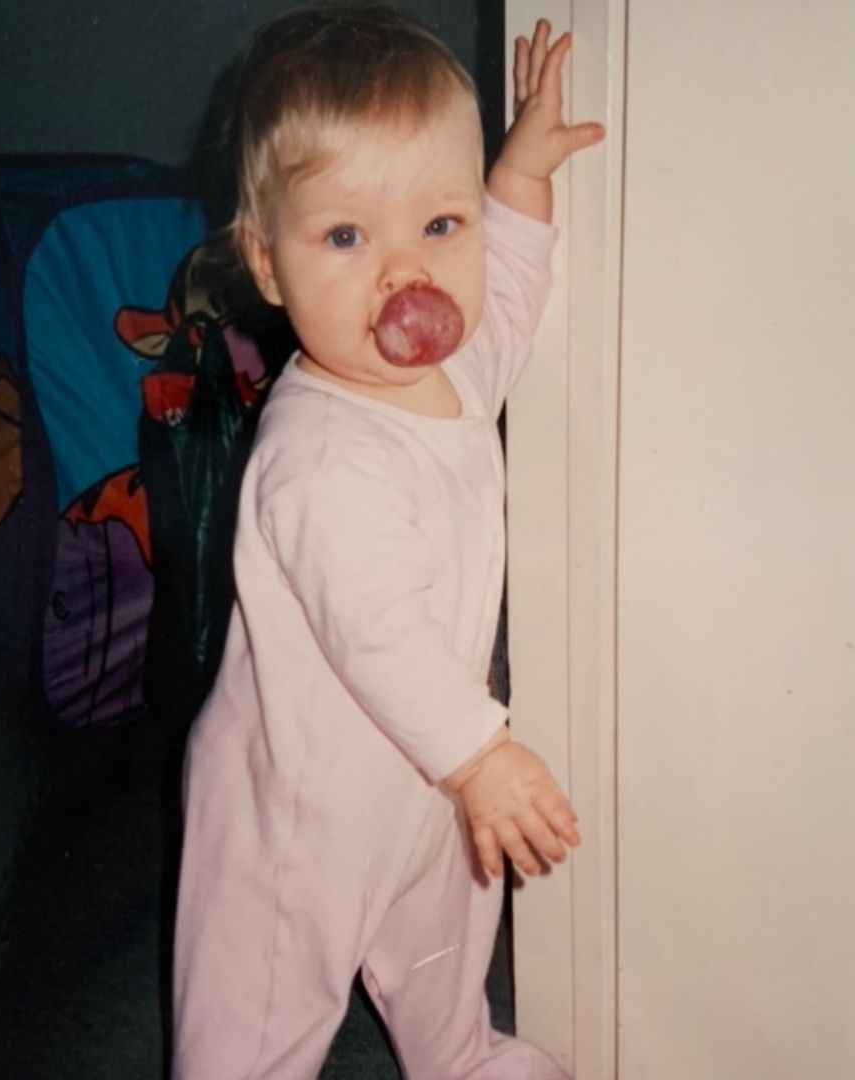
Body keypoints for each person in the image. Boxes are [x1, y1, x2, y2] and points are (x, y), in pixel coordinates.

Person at [173, 7, 604, 1078]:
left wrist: (517, 178)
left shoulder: (450, 380)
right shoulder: (317, 454)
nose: (406, 276)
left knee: (446, 967)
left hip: (428, 795)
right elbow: (375, 629)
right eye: (348, 237)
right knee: (255, 1025)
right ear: (267, 267)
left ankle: (462, 1057)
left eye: (439, 226)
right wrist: (482, 755)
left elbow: (505, 291)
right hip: (298, 817)